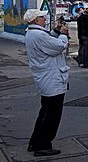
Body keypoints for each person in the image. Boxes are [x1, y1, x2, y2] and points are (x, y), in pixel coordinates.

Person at [24, 9, 69, 157]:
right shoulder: (39, 35)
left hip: (45, 77)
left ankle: (35, 141)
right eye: (42, 18)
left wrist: (56, 31)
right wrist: (63, 34)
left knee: (45, 111)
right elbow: (58, 47)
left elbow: (49, 41)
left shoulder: (32, 33)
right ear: (36, 20)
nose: (45, 20)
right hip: (52, 77)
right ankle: (43, 145)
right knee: (52, 115)